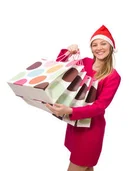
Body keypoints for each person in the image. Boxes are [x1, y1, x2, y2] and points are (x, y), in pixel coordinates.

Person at [46, 25, 122, 171]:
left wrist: (70, 111)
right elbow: (61, 71)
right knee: (86, 166)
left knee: (81, 162)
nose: (98, 48)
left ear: (111, 47)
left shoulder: (113, 76)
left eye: (103, 43)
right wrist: (68, 52)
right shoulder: (85, 63)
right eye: (94, 44)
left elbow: (100, 106)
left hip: (91, 130)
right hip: (75, 125)